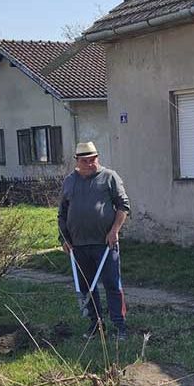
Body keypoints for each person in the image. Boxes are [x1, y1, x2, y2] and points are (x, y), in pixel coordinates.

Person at [58, 142, 131, 340]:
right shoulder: (69, 182)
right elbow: (62, 214)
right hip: (78, 246)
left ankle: (120, 326)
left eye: (93, 159)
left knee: (112, 285)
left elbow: (123, 206)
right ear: (77, 161)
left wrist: (114, 230)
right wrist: (64, 239)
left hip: (105, 244)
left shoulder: (109, 177)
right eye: (85, 161)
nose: (90, 164)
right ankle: (96, 325)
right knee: (86, 287)